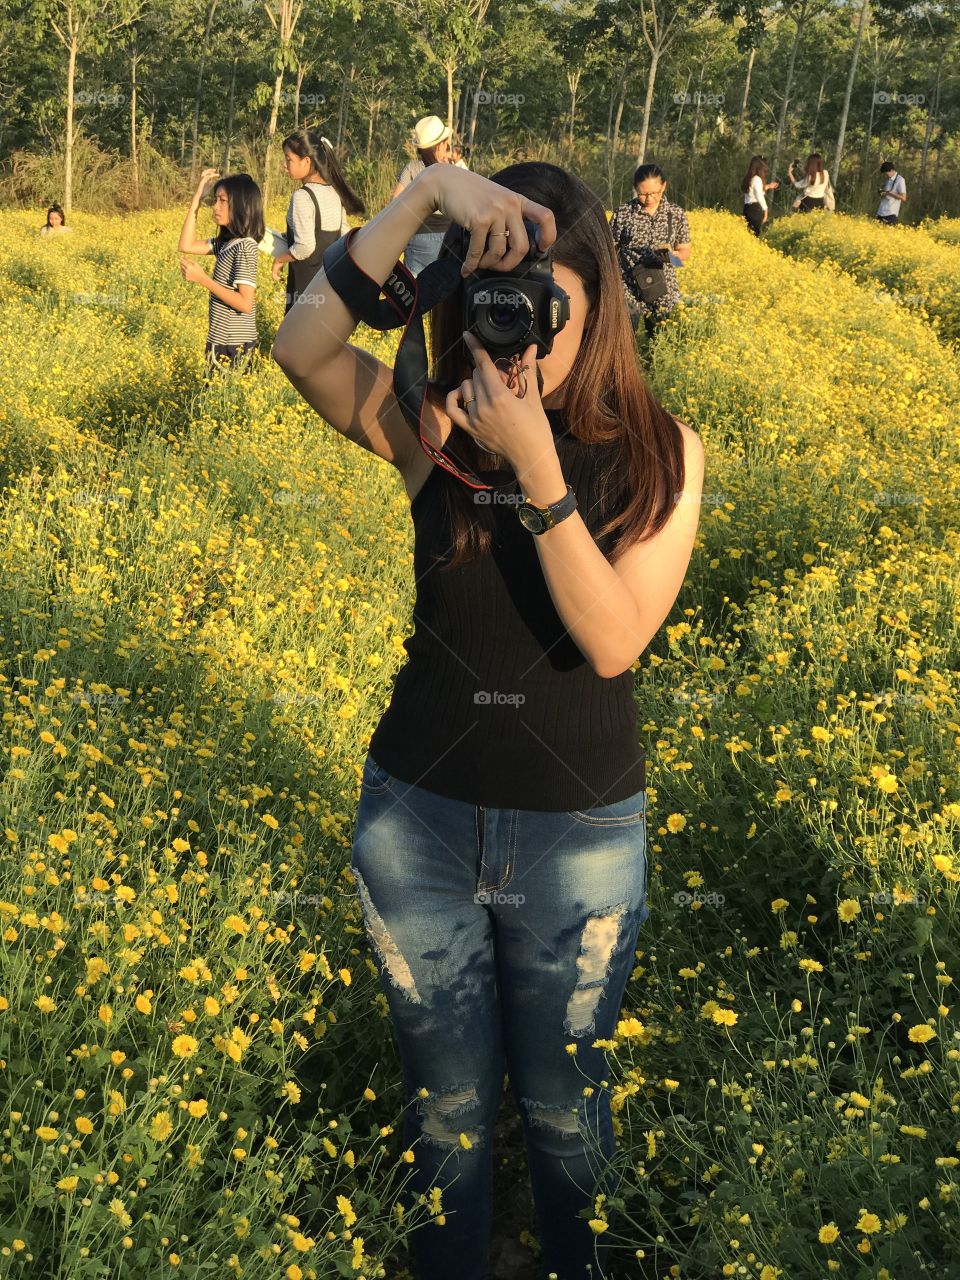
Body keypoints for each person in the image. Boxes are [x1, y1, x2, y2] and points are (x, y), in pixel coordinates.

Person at [272, 159, 704, 1280]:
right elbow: (301, 350)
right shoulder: (432, 433)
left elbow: (611, 640)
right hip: (418, 823)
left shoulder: (665, 450)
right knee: (447, 1116)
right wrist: (422, 201)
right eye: (495, 298)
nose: (519, 332)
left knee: (567, 1117)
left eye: (544, 303)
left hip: (578, 838)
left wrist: (540, 469)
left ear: (597, 305)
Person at [178, 168, 264, 377]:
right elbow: (186, 244)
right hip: (221, 342)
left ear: (241, 206)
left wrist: (203, 279)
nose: (215, 207)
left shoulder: (245, 247)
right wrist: (198, 198)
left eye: (222, 201)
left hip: (233, 346)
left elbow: (245, 303)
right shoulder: (227, 243)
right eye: (215, 200)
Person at [273, 128, 366, 313]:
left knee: (295, 339)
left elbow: (305, 246)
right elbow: (342, 235)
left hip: (304, 288)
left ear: (306, 161)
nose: (285, 165)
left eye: (288, 159)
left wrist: (279, 260)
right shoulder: (333, 193)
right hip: (328, 286)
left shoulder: (302, 196)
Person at [609, 162, 691, 343]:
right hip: (628, 287)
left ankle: (652, 370)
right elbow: (609, 248)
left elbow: (684, 249)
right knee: (623, 339)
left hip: (663, 287)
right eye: (642, 194)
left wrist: (676, 256)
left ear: (664, 186)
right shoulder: (624, 213)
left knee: (659, 341)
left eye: (654, 193)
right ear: (635, 189)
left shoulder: (675, 214)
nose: (648, 198)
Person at [390, 114, 452, 275]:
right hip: (449, 238)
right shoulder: (453, 172)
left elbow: (395, 204)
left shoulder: (412, 168)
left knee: (416, 290)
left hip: (419, 236)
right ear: (440, 145)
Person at [742, 155, 779, 237]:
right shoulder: (757, 179)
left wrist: (769, 186)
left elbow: (754, 192)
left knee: (748, 235)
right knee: (755, 235)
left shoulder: (749, 178)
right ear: (760, 167)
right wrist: (766, 210)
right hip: (755, 210)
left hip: (747, 209)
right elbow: (759, 196)